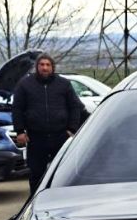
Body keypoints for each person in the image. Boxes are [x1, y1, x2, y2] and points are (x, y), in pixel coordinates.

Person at [11, 53, 83, 192]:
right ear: (37, 67)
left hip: (60, 136)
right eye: (42, 65)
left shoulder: (64, 84)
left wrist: (71, 129)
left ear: (53, 67)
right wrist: (19, 131)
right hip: (36, 137)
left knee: (63, 172)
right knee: (36, 174)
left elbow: (75, 107)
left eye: (48, 65)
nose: (45, 68)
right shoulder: (25, 84)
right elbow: (17, 108)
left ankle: (62, 199)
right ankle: (35, 201)